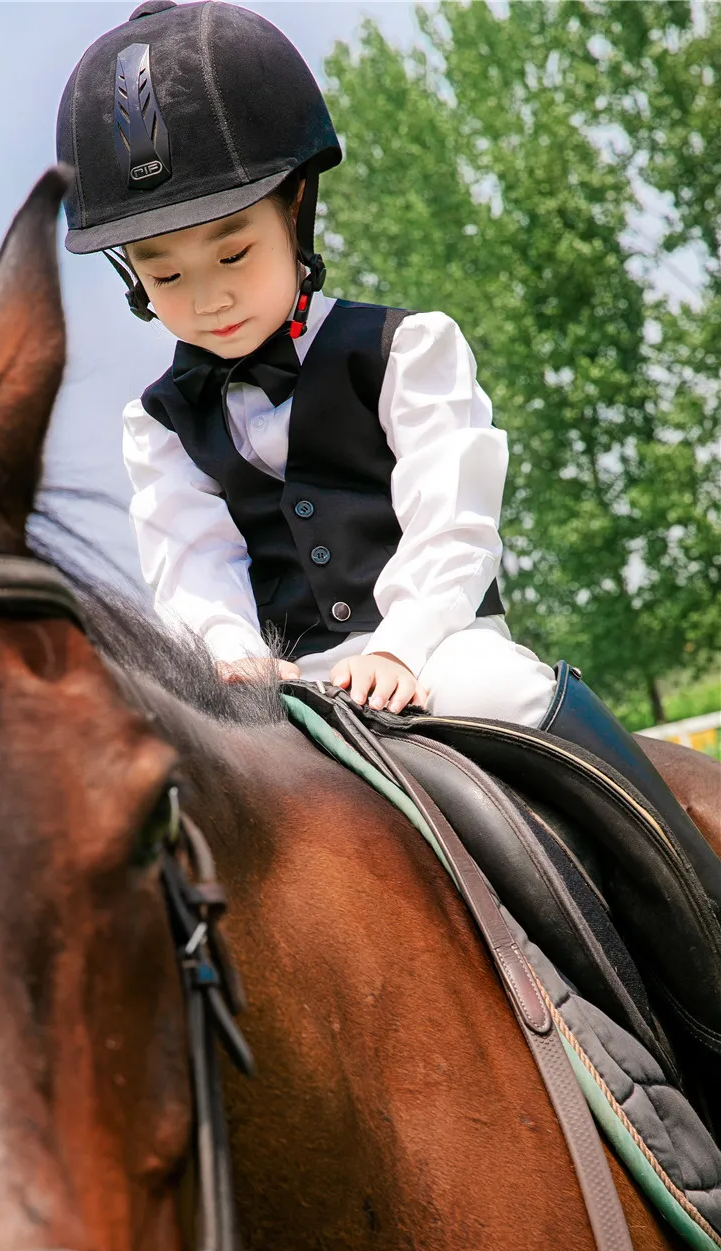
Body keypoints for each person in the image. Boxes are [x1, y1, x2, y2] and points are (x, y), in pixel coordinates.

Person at [56, 0, 721, 903]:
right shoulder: (158, 423)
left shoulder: (409, 348)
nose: (207, 298)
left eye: (233, 252)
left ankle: (688, 909)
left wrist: (402, 648)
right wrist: (235, 656)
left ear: (296, 205)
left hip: (437, 649)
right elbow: (190, 567)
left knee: (507, 691)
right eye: (166, 275)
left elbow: (454, 524)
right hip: (287, 682)